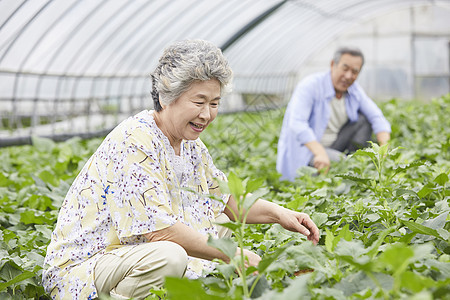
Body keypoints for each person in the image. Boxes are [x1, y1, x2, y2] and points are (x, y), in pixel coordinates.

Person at [42, 39, 320, 300]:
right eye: (199, 102)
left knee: (221, 226)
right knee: (170, 256)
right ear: (166, 97)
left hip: (131, 253)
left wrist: (281, 214)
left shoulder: (190, 146)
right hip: (85, 269)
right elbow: (159, 231)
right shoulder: (135, 140)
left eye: (214, 103)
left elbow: (225, 200)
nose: (207, 114)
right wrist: (235, 255)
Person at [277, 46, 391, 181]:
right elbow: (297, 123)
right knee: (351, 167)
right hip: (309, 150)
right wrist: (319, 152)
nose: (348, 76)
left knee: (363, 121)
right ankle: (341, 166)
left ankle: (349, 161)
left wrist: (384, 151)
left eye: (354, 72)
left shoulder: (354, 90)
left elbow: (376, 116)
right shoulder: (310, 86)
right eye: (345, 68)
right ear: (333, 65)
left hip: (334, 144)